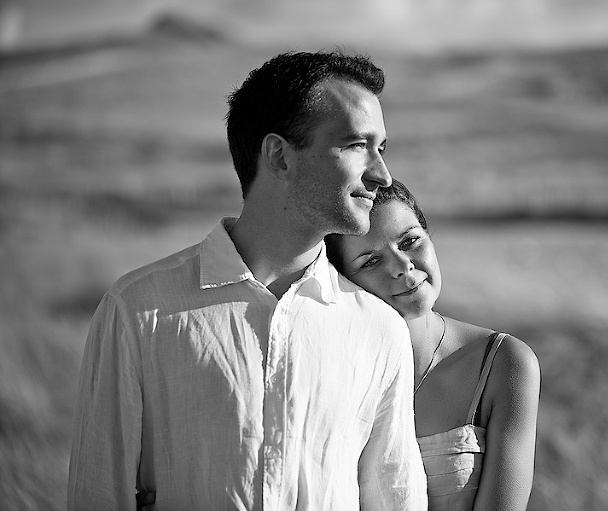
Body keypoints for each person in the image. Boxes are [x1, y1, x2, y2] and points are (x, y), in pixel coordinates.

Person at [67, 51, 427, 510]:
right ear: (279, 155)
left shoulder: (378, 329)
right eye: (357, 145)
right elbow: (97, 494)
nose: (381, 175)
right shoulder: (139, 311)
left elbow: (395, 497)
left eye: (382, 149)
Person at [326, 179, 540, 510]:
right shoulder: (331, 373)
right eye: (370, 261)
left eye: (410, 241)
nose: (403, 266)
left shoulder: (504, 363)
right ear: (342, 280)